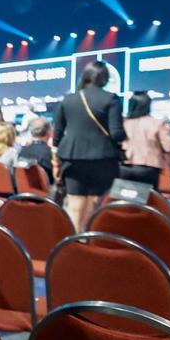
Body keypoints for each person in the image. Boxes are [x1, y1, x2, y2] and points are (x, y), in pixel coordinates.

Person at [53, 60, 127, 230]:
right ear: (105, 78)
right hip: (102, 158)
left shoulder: (68, 100)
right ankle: (89, 243)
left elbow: (57, 134)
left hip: (72, 158)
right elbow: (116, 133)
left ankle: (73, 242)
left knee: (75, 205)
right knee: (95, 205)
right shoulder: (111, 99)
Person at [120, 91, 170, 190]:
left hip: (125, 167)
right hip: (149, 168)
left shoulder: (124, 124)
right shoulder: (156, 123)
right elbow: (168, 147)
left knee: (124, 200)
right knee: (148, 201)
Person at [17, 116, 55, 182]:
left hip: (25, 190)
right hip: (48, 189)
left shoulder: (22, 152)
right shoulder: (49, 153)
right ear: (48, 132)